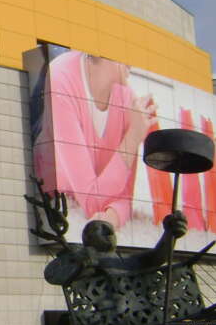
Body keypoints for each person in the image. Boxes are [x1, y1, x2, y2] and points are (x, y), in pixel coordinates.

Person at [31, 50, 157, 229]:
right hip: (47, 178)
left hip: (86, 188)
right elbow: (90, 202)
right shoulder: (61, 75)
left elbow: (123, 197)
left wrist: (111, 218)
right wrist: (133, 136)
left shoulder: (128, 98)